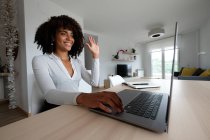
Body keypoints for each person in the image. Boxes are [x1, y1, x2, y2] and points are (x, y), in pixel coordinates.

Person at [32, 15, 123, 113]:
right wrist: (84, 97)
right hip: (54, 109)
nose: (69, 38)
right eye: (63, 33)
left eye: (72, 35)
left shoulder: (77, 62)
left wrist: (95, 56)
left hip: (75, 106)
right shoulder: (40, 60)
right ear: (53, 36)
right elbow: (49, 94)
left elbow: (94, 83)